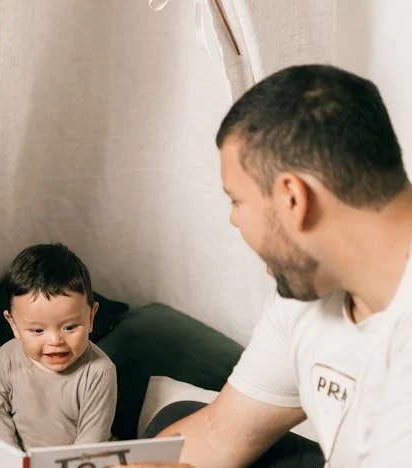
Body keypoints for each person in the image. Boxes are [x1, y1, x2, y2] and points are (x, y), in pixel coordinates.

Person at [116, 64, 412, 468]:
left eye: (236, 200)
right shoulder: (311, 286)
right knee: (174, 427)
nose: (233, 219)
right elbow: (218, 434)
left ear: (292, 198)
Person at [0, 243, 118, 449]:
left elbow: (90, 442)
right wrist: (11, 455)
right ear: (14, 325)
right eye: (37, 330)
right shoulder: (5, 358)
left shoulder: (99, 372)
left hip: (80, 458)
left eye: (69, 327)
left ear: (91, 317)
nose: (55, 341)